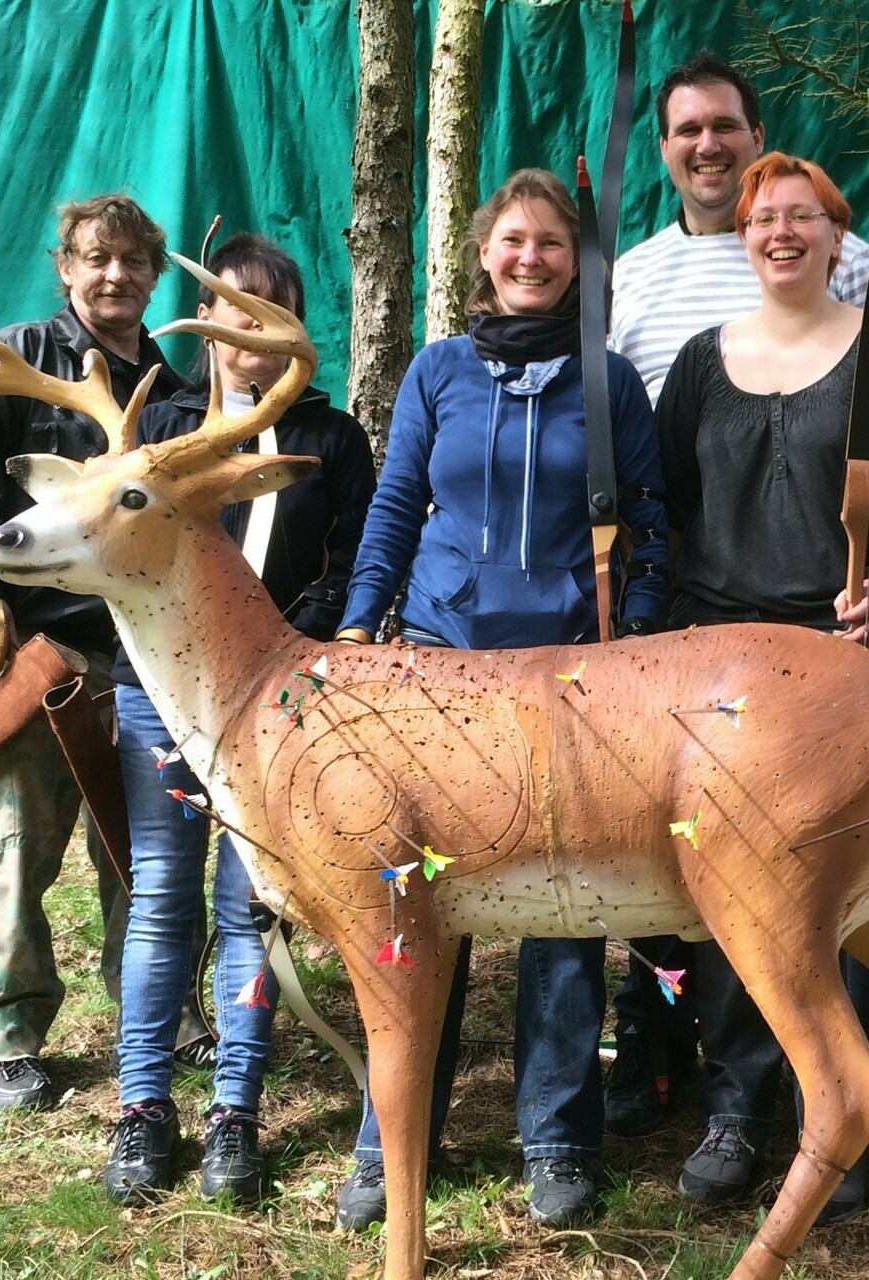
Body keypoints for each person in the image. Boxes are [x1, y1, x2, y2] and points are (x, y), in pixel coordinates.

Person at [602, 47, 869, 1159]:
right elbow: (673, 501)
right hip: (715, 654)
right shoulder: (694, 353)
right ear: (743, 236)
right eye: (766, 221)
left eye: (803, 216)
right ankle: (738, 1104)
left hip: (835, 655)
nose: (782, 231)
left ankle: (836, 1116)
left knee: (835, 891)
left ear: (838, 236)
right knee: (722, 883)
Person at [332, 168, 670, 1231]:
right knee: (411, 905)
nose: (532, 257)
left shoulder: (609, 380)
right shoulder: (437, 372)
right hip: (439, 668)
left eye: (553, 244)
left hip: (567, 679)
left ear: (578, 261)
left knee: (559, 906)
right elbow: (395, 503)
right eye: (514, 241)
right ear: (484, 252)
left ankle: (559, 1135)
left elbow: (654, 525)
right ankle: (393, 1139)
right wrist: (358, 620)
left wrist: (633, 646)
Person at [0, 193, 214, 1120]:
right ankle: (6, 1034)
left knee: (147, 854)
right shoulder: (17, 362)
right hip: (29, 653)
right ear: (64, 268)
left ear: (154, 276)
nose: (114, 275)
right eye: (95, 258)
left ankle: (160, 1013)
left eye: (132, 261)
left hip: (141, 662)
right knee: (9, 844)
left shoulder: (170, 387)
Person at [99, 235, 375, 1207]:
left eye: (269, 310)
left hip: (279, 706)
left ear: (296, 323)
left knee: (248, 905)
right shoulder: (161, 425)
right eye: (228, 310)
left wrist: (278, 651)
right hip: (165, 701)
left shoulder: (331, 437)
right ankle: (141, 1105)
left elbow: (348, 559)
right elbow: (123, 557)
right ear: (203, 321)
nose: (246, 331)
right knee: (165, 892)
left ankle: (234, 1110)